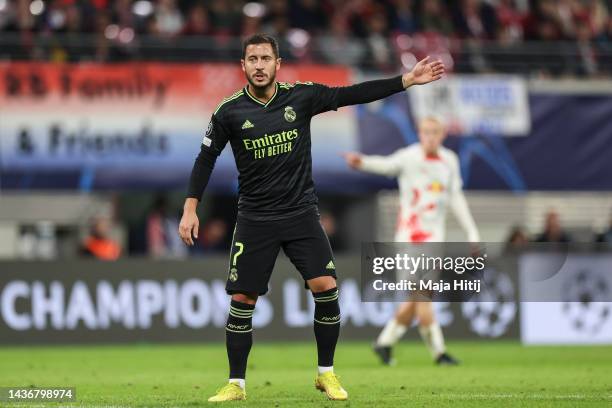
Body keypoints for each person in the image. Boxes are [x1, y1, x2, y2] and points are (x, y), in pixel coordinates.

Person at [179, 33, 444, 402]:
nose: (259, 66)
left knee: (326, 287)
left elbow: (350, 94)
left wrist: (405, 81)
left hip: (301, 214)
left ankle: (326, 374)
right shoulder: (228, 112)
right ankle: (236, 384)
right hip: (255, 218)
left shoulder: (300, 97)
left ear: (277, 64)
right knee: (242, 299)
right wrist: (191, 207)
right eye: (252, 59)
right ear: (243, 66)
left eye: (265, 59)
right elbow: (204, 159)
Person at [344, 116, 479, 366]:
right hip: (408, 239)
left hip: (434, 240)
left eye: (434, 132)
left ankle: (390, 344)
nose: (430, 137)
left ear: (443, 134)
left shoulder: (449, 160)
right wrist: (361, 162)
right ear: (419, 133)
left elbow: (456, 199)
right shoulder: (409, 157)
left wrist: (472, 233)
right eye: (426, 132)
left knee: (419, 296)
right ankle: (433, 352)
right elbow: (385, 165)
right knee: (420, 296)